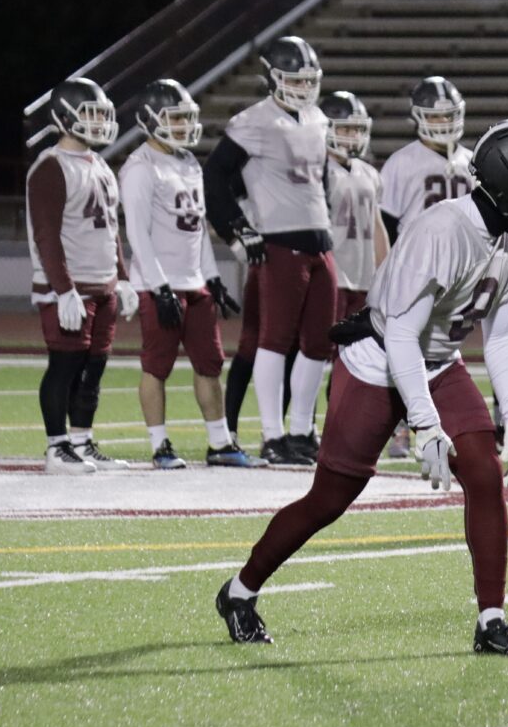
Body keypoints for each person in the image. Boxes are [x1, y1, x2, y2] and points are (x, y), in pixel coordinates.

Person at [214, 118, 508, 654]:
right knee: (330, 499)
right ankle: (240, 591)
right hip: (380, 358)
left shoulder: (506, 239)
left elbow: (500, 336)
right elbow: (402, 334)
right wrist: (425, 425)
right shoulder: (444, 230)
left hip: (438, 360)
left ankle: (492, 621)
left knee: (484, 473)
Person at [119, 79, 265, 470]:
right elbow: (137, 234)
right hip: (159, 284)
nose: (184, 126)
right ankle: (160, 445)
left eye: (186, 118)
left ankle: (220, 443)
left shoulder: (187, 162)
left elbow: (197, 229)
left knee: (210, 364)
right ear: (150, 119)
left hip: (194, 283)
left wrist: (211, 277)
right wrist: (160, 287)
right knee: (157, 367)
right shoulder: (140, 167)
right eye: (175, 118)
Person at [204, 36, 336, 466]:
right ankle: (272, 434)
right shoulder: (253, 121)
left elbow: (321, 181)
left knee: (318, 343)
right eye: (294, 79)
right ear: (272, 78)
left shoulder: (317, 118)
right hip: (280, 243)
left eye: (308, 80)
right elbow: (214, 177)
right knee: (275, 341)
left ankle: (301, 431)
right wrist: (237, 229)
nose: (303, 87)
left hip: (321, 242)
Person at [26, 77, 138, 474]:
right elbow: (46, 235)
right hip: (70, 287)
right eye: (90, 114)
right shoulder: (51, 167)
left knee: (94, 368)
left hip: (102, 283)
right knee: (65, 364)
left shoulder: (100, 164)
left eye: (102, 114)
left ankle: (81, 441)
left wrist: (122, 277)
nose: (99, 122)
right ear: (63, 116)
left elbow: (111, 229)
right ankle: (57, 447)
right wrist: (63, 289)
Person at [378, 75, 473, 457]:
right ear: (417, 117)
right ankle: (400, 428)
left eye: (449, 115)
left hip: (458, 275)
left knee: (443, 351)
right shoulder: (402, 162)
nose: (443, 123)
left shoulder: (471, 161)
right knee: (406, 349)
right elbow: (384, 225)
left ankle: (437, 424)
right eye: (435, 116)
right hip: (414, 272)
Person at [319, 91, 389, 323]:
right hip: (330, 276)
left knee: (361, 344)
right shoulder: (318, 171)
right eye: (346, 129)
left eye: (358, 129)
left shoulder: (369, 173)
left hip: (364, 277)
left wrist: (386, 271)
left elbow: (377, 227)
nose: (354, 136)